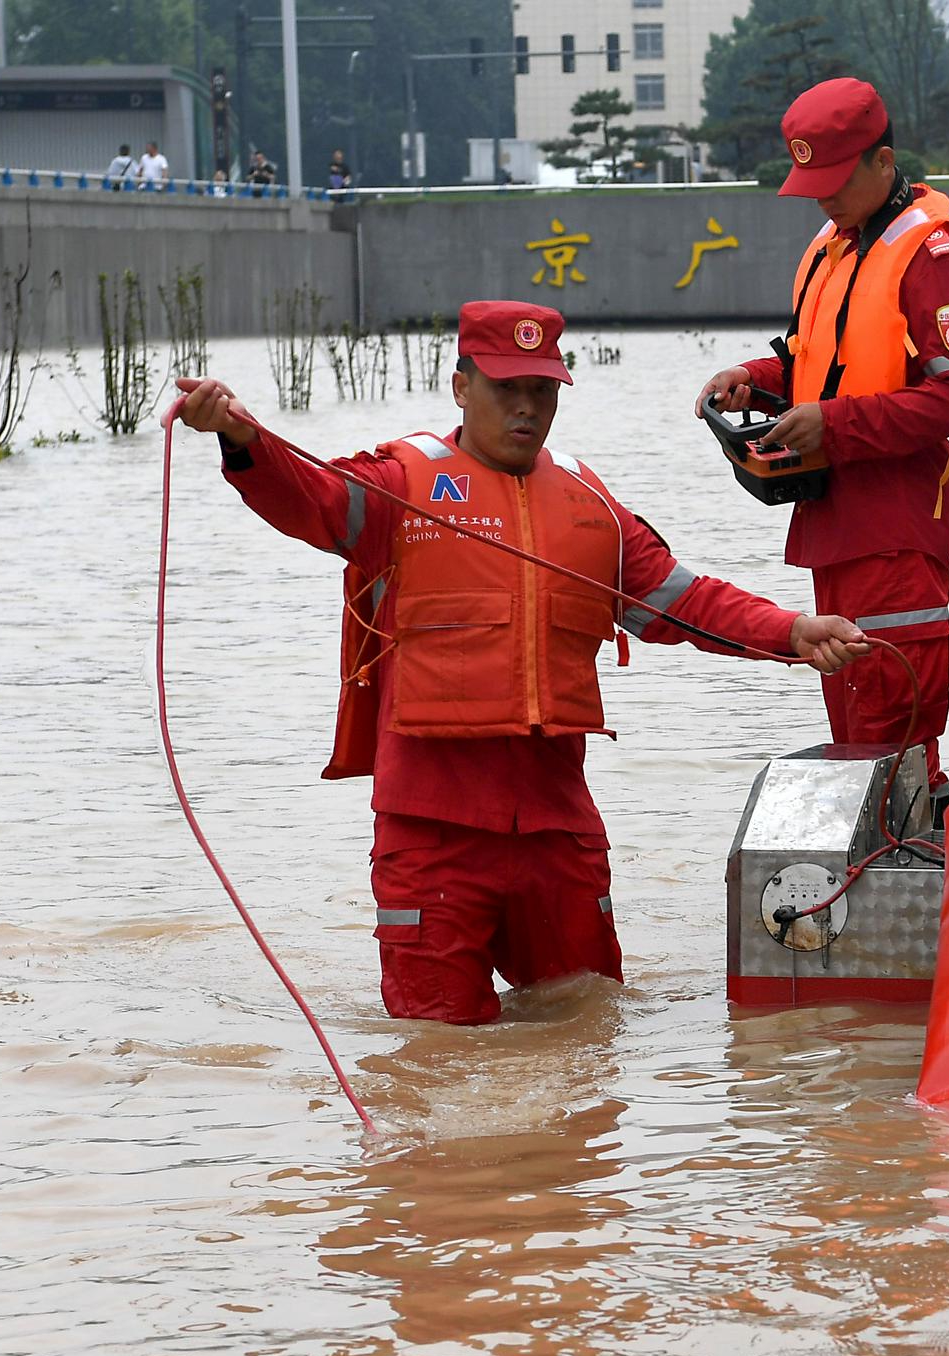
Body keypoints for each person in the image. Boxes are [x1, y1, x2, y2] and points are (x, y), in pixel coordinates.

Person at [173, 300, 869, 1025]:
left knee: (589, 1029)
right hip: (432, 830)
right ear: (460, 387)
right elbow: (307, 496)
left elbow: (685, 599)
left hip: (555, 830)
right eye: (507, 388)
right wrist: (240, 437)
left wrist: (792, 630)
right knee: (435, 1053)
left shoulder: (589, 502)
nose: (527, 408)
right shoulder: (399, 485)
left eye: (542, 390)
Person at [694, 78, 949, 820]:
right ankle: (897, 859)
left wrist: (834, 425)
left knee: (894, 725)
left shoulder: (934, 252)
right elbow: (816, 364)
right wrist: (757, 381)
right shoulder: (837, 245)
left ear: (883, 161)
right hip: (838, 524)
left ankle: (917, 854)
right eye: (812, 184)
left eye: (834, 182)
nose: (821, 199)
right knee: (861, 720)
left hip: (896, 526)